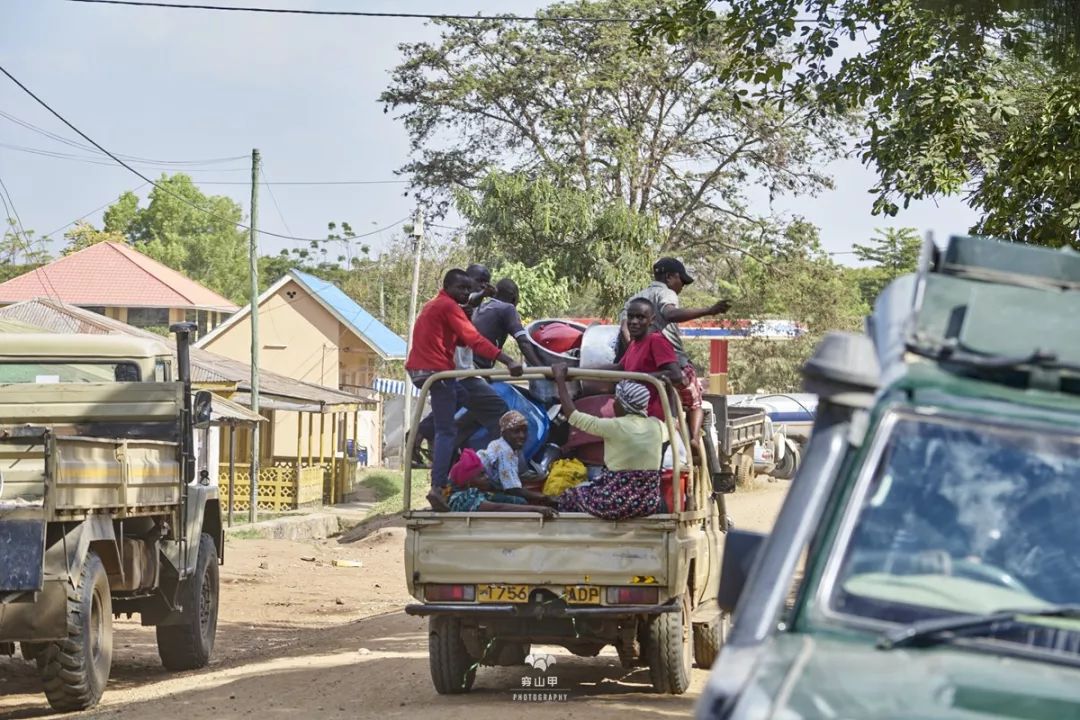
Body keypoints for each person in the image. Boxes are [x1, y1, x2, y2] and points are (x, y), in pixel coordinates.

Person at [406, 268, 524, 510]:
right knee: (446, 431)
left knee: (464, 396)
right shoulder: (448, 306)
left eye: (469, 289)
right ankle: (438, 487)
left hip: (427, 371)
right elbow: (474, 340)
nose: (466, 293)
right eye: (462, 288)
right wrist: (508, 360)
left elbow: (460, 338)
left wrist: (467, 317)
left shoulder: (440, 305)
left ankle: (420, 431)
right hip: (436, 372)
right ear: (447, 287)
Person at [622, 257, 729, 443]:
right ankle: (694, 439)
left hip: (643, 363)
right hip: (673, 360)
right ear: (670, 277)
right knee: (695, 399)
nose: (682, 287)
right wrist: (708, 311)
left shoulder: (635, 299)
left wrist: (633, 349)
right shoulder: (667, 293)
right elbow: (670, 313)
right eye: (682, 282)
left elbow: (624, 328)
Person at [551, 363, 666, 519]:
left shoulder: (614, 426)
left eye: (616, 400)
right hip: (649, 503)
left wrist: (560, 380)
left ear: (624, 405)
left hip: (615, 503)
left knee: (569, 495)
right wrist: (669, 391)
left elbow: (573, 416)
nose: (613, 404)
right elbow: (674, 422)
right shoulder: (658, 426)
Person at [615, 298, 683, 420]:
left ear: (652, 320)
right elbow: (619, 367)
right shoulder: (634, 344)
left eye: (640, 317)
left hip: (654, 418)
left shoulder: (656, 341)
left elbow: (676, 375)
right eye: (630, 317)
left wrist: (640, 377)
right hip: (635, 415)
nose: (634, 322)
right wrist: (579, 369)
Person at [447, 446, 556, 516]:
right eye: (481, 475)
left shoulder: (475, 491)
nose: (487, 477)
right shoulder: (462, 499)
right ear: (468, 483)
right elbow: (497, 507)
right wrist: (536, 510)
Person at [475, 410, 556, 506]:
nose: (522, 436)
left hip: (481, 484)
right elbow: (512, 489)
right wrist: (543, 497)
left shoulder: (502, 444)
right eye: (516, 431)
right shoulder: (505, 451)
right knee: (520, 502)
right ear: (504, 433)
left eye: (524, 431)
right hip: (474, 489)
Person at [471, 278, 544, 368]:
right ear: (514, 297)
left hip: (467, 363)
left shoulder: (482, 305)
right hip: (477, 369)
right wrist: (542, 368)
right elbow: (523, 342)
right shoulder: (507, 308)